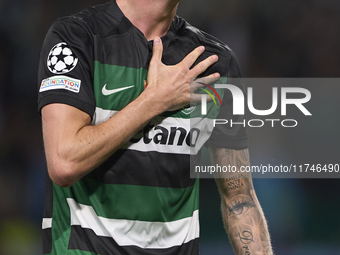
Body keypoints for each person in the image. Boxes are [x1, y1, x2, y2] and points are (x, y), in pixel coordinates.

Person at [38, 0, 273, 254]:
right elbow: (64, 162)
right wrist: (154, 101)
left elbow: (239, 198)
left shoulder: (215, 63)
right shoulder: (76, 37)